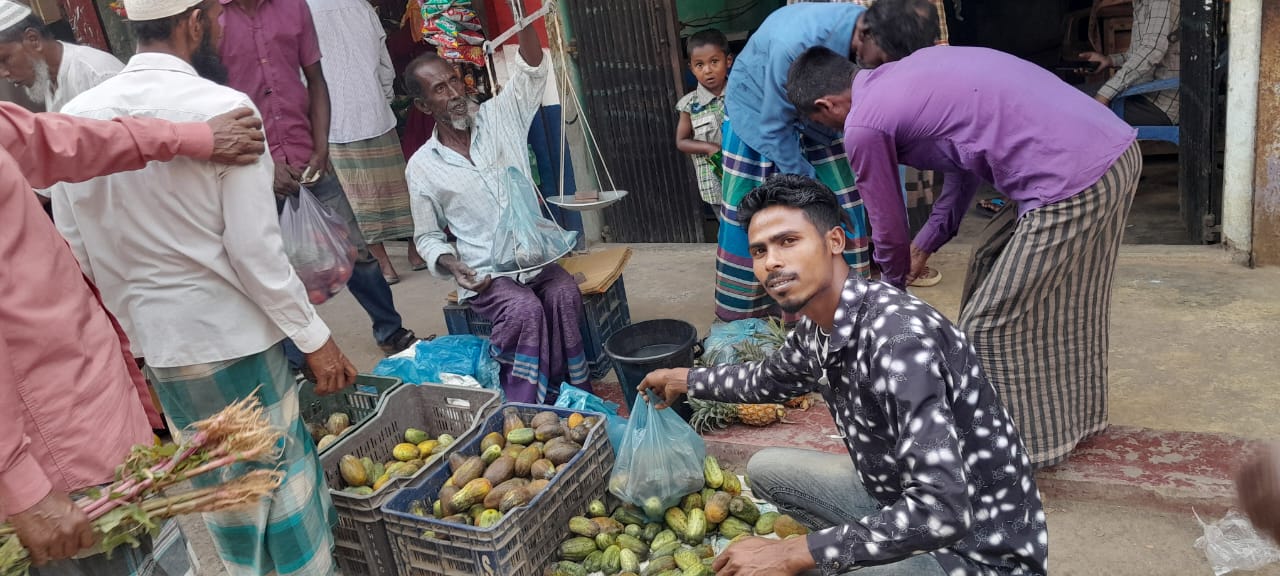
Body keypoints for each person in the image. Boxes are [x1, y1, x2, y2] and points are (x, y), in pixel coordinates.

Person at [51, 0, 357, 572]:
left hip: (163, 349)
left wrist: (140, 327)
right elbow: (255, 255)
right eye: (214, 17)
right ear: (194, 21)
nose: (219, 27)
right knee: (279, 487)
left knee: (223, 494)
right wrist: (317, 339)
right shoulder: (223, 109)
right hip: (233, 337)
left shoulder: (75, 119)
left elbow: (79, 248)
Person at [640, 174, 1048, 576]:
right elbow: (770, 379)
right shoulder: (820, 325)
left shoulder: (898, 340)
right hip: (894, 498)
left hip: (973, 551)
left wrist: (797, 553)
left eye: (788, 241)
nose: (772, 262)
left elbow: (941, 511)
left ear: (834, 241)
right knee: (766, 469)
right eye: (760, 251)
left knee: (797, 565)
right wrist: (684, 379)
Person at [787, 44, 1140, 469]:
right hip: (1106, 154)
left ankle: (1012, 456)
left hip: (1072, 179)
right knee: (991, 263)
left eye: (821, 121)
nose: (829, 129)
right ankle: (1062, 422)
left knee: (988, 325)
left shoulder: (864, 123)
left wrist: (891, 288)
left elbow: (887, 221)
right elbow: (961, 165)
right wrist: (927, 244)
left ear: (826, 104)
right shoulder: (907, 75)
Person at [0, 95, 266, 572]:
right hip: (51, 464)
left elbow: (60, 141)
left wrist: (191, 138)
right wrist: (19, 483)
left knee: (153, 558)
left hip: (88, 417)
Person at [404, 7, 590, 405]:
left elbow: (533, 71)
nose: (455, 94)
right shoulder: (422, 166)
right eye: (440, 89)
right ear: (423, 106)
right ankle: (523, 400)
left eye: (454, 81)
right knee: (523, 310)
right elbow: (428, 236)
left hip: (534, 259)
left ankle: (567, 387)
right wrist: (454, 266)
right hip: (488, 273)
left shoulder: (500, 115)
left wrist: (523, 16)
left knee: (564, 295)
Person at [218, 0, 418, 359]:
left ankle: (391, 330)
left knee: (353, 250)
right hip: (248, 166)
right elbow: (214, 104)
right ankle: (297, 358)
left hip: (307, 156)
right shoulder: (211, 18)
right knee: (271, 268)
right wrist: (265, 163)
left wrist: (321, 146)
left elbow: (316, 81)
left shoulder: (293, 8)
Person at [307, 0, 427, 284]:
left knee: (358, 198)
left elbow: (302, 75)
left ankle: (384, 264)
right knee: (397, 189)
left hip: (335, 120)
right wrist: (383, 97)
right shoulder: (359, 6)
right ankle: (415, 252)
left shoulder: (299, 11)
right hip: (375, 112)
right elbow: (384, 61)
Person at [0, 1, 123, 113]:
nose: (3, 74)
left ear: (33, 40)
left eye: (4, 59)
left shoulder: (96, 74)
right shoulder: (46, 76)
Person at [1080, 0, 1180, 126]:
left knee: (1078, 110)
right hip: (1142, 93)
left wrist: (1105, 94)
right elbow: (1140, 53)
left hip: (1160, 104)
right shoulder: (1140, 3)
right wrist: (1109, 60)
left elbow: (1152, 50)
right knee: (1075, 97)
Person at [675, 28, 731, 211]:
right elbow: (681, 141)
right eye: (699, 65)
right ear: (691, 68)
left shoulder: (740, 95)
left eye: (714, 61)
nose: (708, 70)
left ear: (728, 61)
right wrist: (709, 148)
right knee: (727, 234)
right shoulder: (689, 105)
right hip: (715, 188)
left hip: (748, 179)